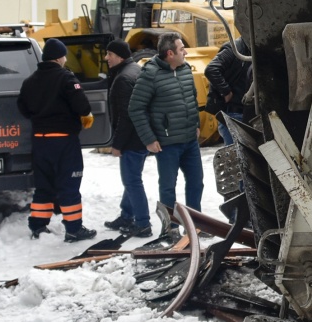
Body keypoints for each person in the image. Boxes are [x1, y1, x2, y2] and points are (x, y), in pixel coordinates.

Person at [16, 37, 97, 242]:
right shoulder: (66, 78)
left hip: (40, 141)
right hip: (63, 141)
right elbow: (82, 106)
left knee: (44, 185)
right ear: (60, 57)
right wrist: (85, 114)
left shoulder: (29, 81)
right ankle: (74, 229)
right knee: (69, 185)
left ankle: (38, 226)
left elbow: (23, 108)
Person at [128, 33, 202, 225]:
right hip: (167, 143)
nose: (185, 52)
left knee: (196, 184)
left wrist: (196, 125)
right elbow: (135, 108)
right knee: (168, 188)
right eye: (181, 49)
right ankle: (170, 228)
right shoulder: (150, 74)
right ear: (170, 53)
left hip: (190, 141)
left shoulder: (185, 69)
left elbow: (192, 99)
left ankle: (195, 226)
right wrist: (149, 139)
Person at [102, 39, 152, 238]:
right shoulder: (135, 70)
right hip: (141, 136)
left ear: (120, 56)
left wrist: (117, 144)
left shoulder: (123, 79)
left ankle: (142, 223)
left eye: (110, 55)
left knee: (132, 181)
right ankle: (126, 215)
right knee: (131, 179)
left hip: (132, 140)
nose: (107, 58)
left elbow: (126, 116)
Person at [205, 36, 252, 146]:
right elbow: (211, 69)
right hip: (234, 114)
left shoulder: (253, 49)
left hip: (248, 113)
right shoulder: (234, 49)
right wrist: (226, 91)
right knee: (236, 157)